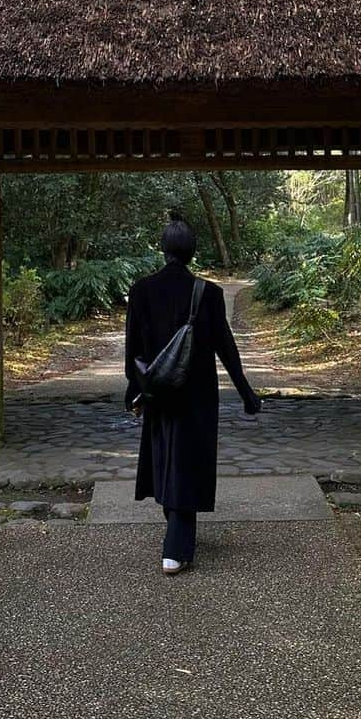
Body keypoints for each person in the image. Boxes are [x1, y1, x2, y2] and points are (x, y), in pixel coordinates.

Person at [124, 211, 262, 575]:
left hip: (158, 393)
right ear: (192, 251)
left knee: (167, 458)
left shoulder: (140, 291)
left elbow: (133, 354)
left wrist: (135, 392)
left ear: (163, 249)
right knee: (187, 461)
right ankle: (177, 543)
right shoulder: (209, 294)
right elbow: (227, 349)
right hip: (198, 393)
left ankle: (177, 537)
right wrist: (246, 393)